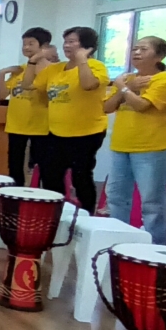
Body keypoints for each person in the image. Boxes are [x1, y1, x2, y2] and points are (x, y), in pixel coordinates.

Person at [26, 26, 109, 208]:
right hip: (56, 132)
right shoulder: (56, 69)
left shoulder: (96, 66)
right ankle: (57, 212)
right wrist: (33, 62)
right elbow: (29, 85)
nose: (66, 45)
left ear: (86, 46)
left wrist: (82, 61)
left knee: (81, 176)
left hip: (87, 132)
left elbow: (88, 85)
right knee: (51, 175)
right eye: (65, 41)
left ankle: (86, 215)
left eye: (72, 42)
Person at [103, 36, 166, 244]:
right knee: (116, 197)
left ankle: (155, 246)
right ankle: (117, 242)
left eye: (143, 49)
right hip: (121, 145)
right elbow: (107, 107)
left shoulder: (164, 79)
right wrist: (126, 87)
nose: (136, 53)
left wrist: (124, 88)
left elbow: (142, 105)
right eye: (135, 48)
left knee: (152, 202)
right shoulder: (128, 79)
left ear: (159, 56)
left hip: (151, 147)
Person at [0, 28, 54, 186]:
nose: (26, 47)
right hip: (16, 125)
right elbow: (1, 95)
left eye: (31, 43)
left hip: (41, 127)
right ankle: (15, 194)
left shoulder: (53, 70)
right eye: (24, 44)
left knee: (42, 168)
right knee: (14, 166)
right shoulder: (19, 70)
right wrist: (2, 73)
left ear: (44, 46)